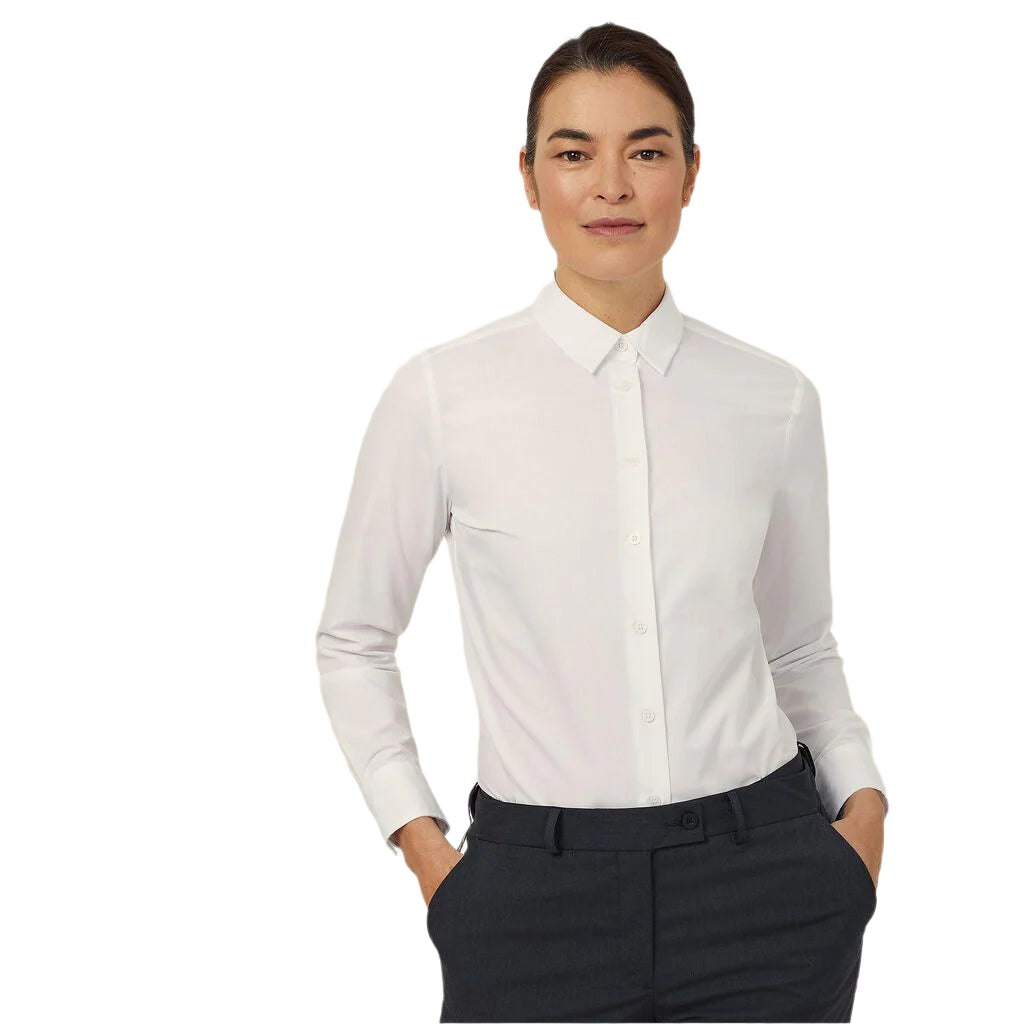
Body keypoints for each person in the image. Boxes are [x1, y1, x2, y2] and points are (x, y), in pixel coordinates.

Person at [315, 20, 888, 1023]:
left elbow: (798, 644)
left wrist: (863, 815)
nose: (611, 186)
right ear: (529, 177)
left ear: (692, 173)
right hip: (530, 899)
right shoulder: (443, 395)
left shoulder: (773, 400)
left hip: (769, 882)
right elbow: (354, 640)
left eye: (647, 152)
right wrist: (426, 849)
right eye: (574, 153)